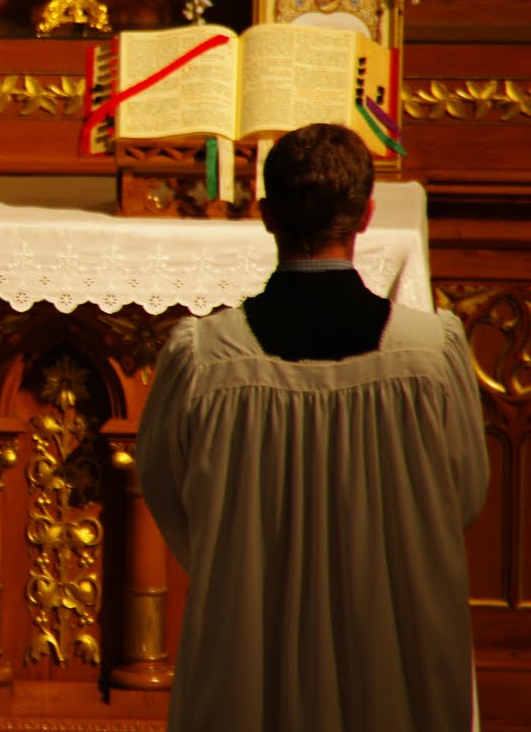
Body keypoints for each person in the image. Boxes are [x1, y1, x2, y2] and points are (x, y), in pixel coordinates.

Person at [136, 122, 489, 732]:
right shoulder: (430, 354)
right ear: (365, 216)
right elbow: (462, 495)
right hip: (391, 637)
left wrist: (245, 554)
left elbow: (169, 493)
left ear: (266, 215)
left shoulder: (206, 358)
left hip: (250, 638)